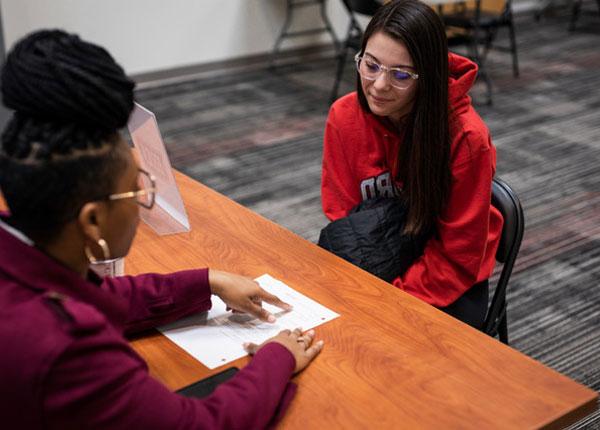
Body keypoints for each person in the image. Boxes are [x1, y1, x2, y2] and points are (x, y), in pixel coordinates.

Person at [0, 30, 323, 429]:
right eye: (136, 189)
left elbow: (100, 293)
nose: (141, 201)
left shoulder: (20, 248)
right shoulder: (64, 347)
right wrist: (279, 356)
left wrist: (207, 282)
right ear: (92, 221)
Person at [321, 0, 503, 328]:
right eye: (371, 65)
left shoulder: (466, 138)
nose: (378, 85)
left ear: (426, 77)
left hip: (446, 274)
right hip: (379, 248)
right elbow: (342, 215)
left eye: (401, 74)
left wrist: (392, 300)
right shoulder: (344, 117)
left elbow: (458, 256)